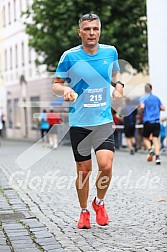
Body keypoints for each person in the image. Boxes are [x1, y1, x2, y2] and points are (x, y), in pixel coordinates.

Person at [52, 13, 124, 229]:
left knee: (106, 165)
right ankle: (84, 211)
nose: (91, 33)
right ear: (79, 32)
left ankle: (98, 202)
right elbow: (56, 84)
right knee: (83, 171)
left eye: (95, 28)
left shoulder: (110, 52)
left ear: (99, 30)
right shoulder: (69, 56)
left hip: (102, 120)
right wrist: (64, 89)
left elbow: (116, 75)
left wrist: (119, 86)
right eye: (87, 29)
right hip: (79, 122)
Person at [140, 83, 165, 164]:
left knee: (145, 138)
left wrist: (142, 111)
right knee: (155, 139)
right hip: (157, 122)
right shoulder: (156, 98)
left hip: (148, 121)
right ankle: (157, 157)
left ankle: (150, 150)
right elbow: (163, 108)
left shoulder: (143, 98)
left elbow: (142, 107)